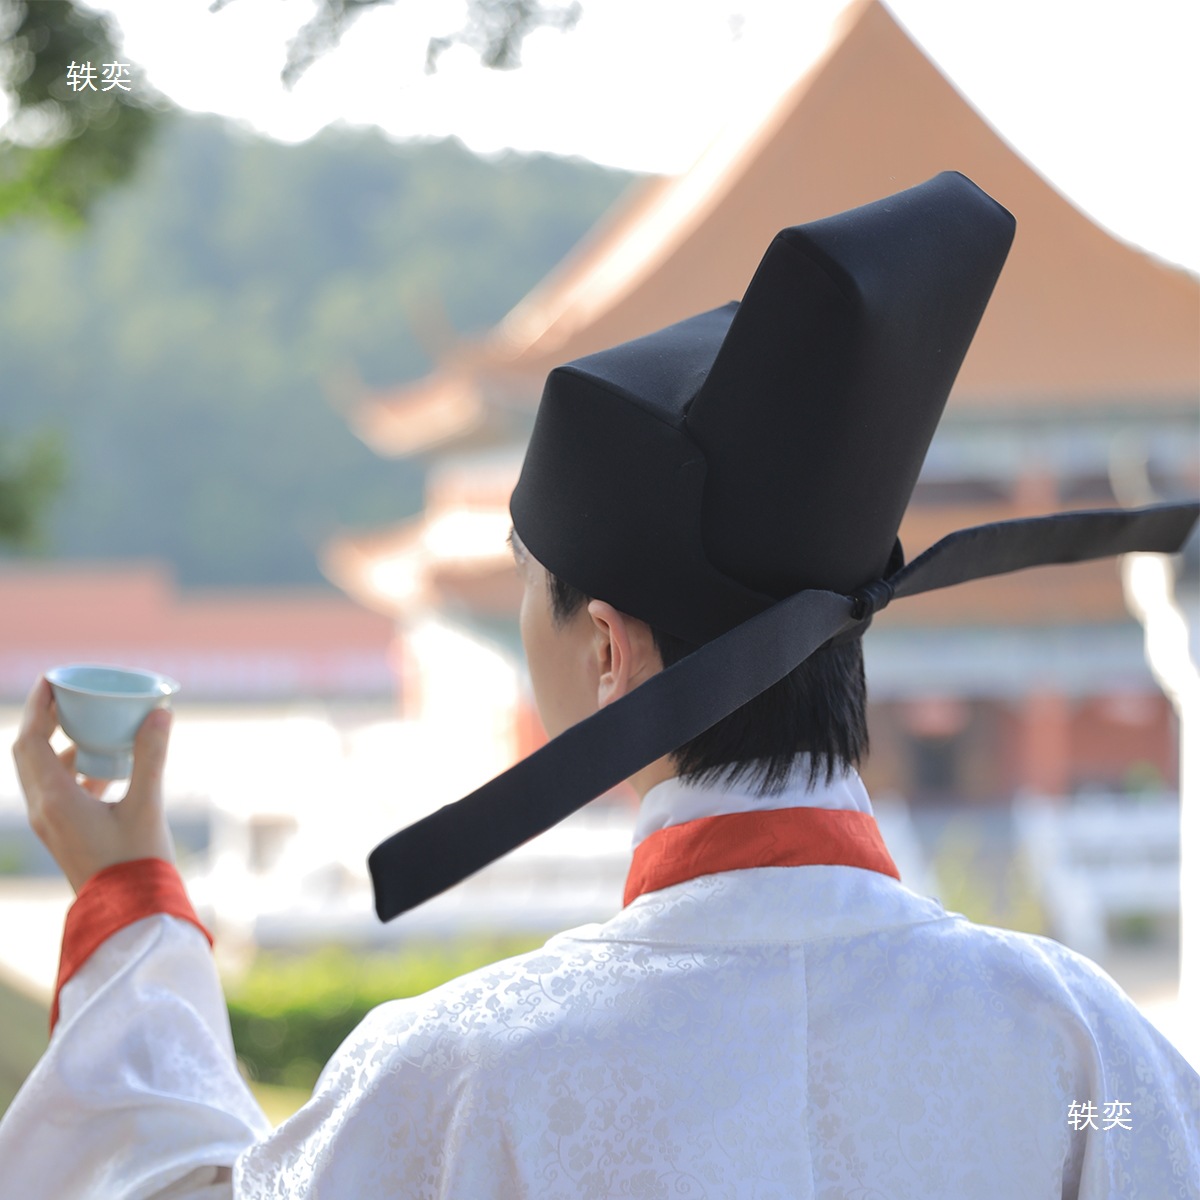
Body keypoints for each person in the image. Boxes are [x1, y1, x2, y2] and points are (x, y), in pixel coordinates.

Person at [1, 173, 1197, 1199]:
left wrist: (128, 893)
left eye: (531, 580)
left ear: (610, 652)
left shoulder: (468, 1078)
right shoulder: (1084, 1054)